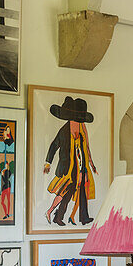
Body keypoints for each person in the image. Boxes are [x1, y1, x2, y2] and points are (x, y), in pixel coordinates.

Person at [43, 96, 96, 226]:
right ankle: (52, 212)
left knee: (75, 192)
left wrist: (91, 163)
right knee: (64, 192)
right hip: (68, 168)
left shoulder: (82, 129)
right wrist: (48, 163)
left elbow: (86, 147)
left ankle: (65, 217)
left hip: (80, 167)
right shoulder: (64, 131)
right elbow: (54, 145)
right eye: (77, 118)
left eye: (80, 118)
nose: (78, 121)